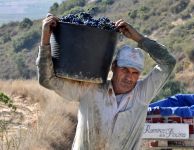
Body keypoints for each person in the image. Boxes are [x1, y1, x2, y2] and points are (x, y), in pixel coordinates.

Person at [36, 15, 176, 150]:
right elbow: (47, 80)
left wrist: (138, 37)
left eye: (135, 73)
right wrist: (45, 39)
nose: (129, 77)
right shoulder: (90, 89)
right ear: (113, 66)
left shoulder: (142, 95)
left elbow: (168, 62)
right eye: (124, 70)